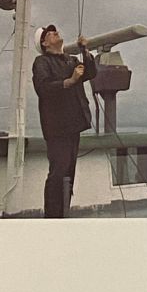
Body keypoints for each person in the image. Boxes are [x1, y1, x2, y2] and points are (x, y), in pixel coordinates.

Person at [31, 24, 97, 218]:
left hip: (73, 124)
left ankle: (63, 213)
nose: (55, 32)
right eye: (49, 33)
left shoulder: (71, 60)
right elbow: (43, 88)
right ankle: (53, 218)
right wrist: (69, 81)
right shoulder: (41, 62)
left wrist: (85, 50)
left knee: (68, 173)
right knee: (58, 173)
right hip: (57, 127)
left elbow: (90, 73)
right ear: (44, 43)